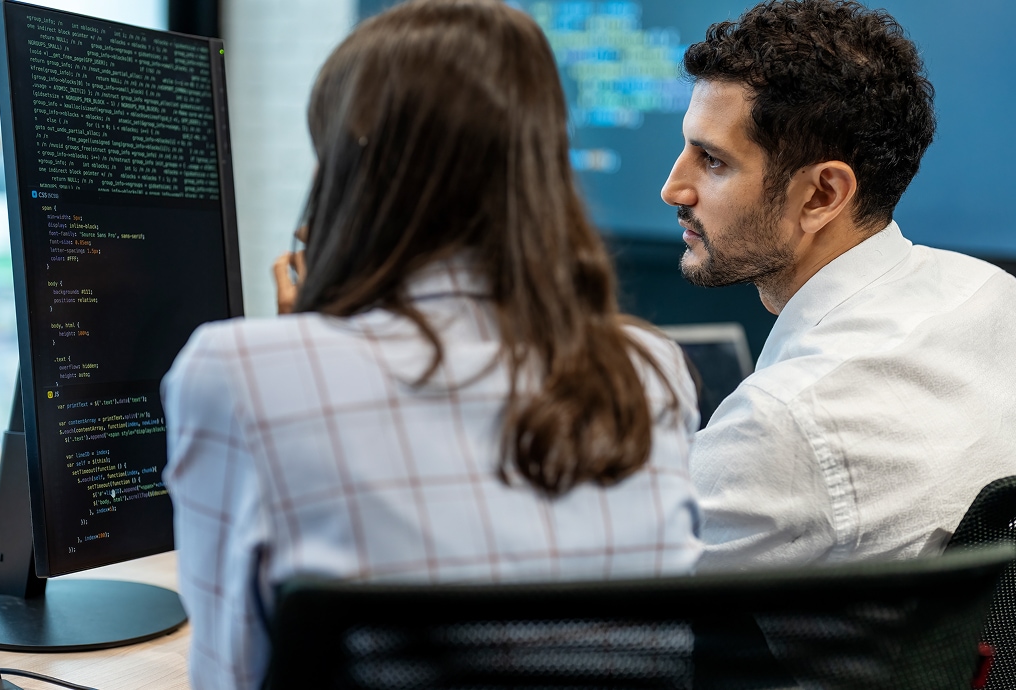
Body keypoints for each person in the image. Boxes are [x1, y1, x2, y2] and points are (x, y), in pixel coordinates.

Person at [161, 1, 702, 687]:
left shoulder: (236, 374)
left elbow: (230, 674)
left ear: (349, 169)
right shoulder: (651, 370)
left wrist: (303, 345)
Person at [661, 0, 1016, 570]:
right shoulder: (1013, 306)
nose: (674, 188)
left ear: (821, 195)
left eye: (712, 161)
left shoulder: (784, 421)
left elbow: (605, 608)